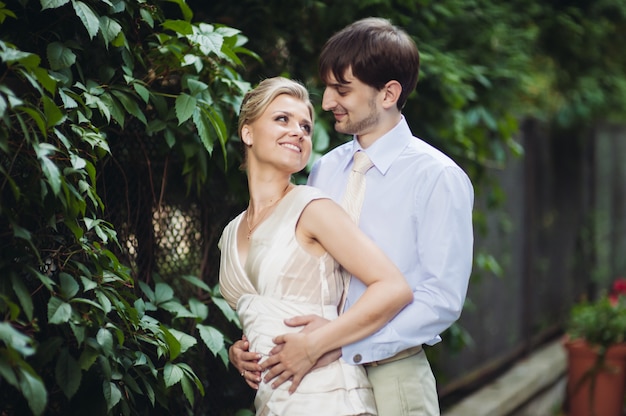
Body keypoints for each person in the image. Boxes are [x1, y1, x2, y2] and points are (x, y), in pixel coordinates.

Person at [230, 18, 475, 415]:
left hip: (392, 372)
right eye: (327, 88)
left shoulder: (438, 177)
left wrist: (342, 345)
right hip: (313, 380)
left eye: (342, 89)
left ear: (388, 93)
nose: (327, 102)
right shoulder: (325, 168)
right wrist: (254, 339)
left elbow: (441, 299)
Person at [218, 76, 413, 415]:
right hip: (275, 400)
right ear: (247, 133)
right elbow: (264, 309)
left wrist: (314, 344)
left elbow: (394, 288)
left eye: (306, 127)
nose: (298, 132)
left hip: (328, 395)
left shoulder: (313, 208)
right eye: (283, 119)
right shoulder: (231, 231)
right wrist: (240, 351)